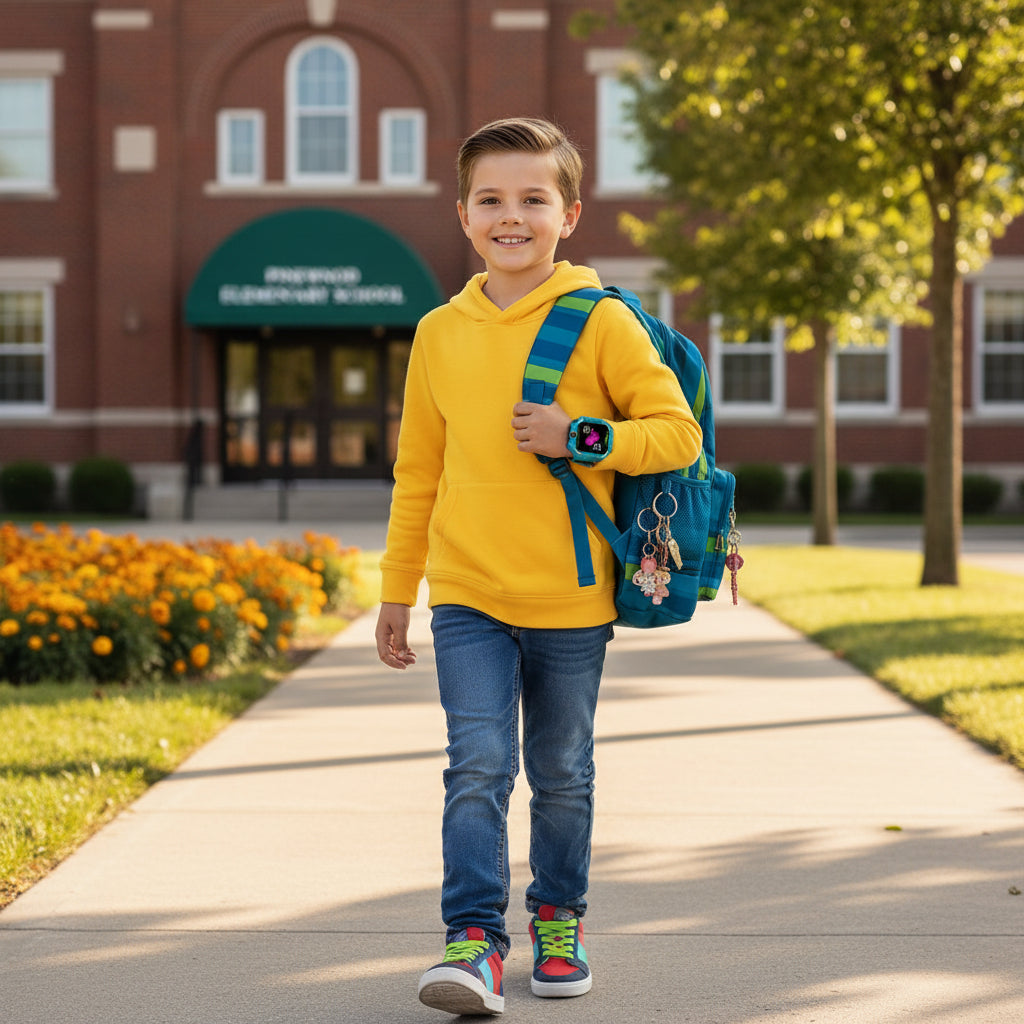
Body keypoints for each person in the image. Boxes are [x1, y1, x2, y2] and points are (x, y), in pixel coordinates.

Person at [374, 117, 702, 1016]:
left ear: (569, 215)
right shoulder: (440, 332)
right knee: (476, 765)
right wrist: (398, 590)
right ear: (463, 215)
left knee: (561, 772)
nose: (509, 215)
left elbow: (677, 433)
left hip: (570, 596)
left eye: (532, 199)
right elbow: (418, 472)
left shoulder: (599, 322)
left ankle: (560, 917)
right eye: (491, 199)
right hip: (468, 592)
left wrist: (580, 437)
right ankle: (473, 941)